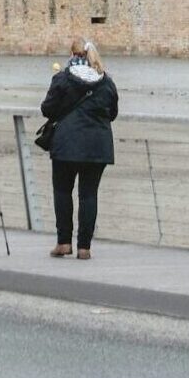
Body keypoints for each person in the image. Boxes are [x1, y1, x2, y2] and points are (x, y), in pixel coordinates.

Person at [41, 37, 118, 260]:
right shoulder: (106, 82)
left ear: (72, 55)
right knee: (89, 195)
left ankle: (64, 242)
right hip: (97, 145)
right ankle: (84, 247)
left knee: (63, 192)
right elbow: (112, 113)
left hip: (66, 144)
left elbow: (47, 109)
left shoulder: (62, 79)